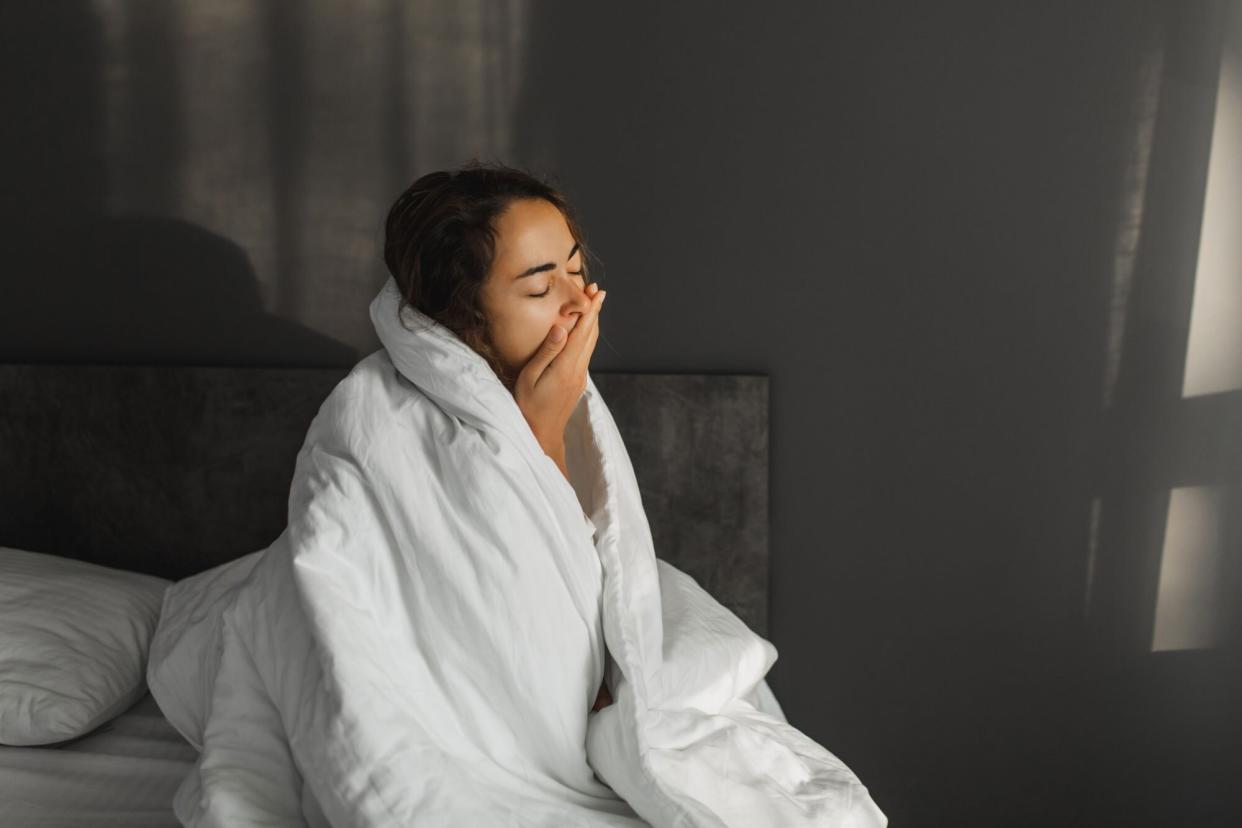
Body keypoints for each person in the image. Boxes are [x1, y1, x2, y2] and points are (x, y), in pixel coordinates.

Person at [381, 159, 613, 712]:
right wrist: (540, 436)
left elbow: (590, 659)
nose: (581, 302)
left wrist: (547, 432)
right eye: (539, 289)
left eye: (577, 271)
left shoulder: (563, 393)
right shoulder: (384, 423)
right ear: (465, 319)